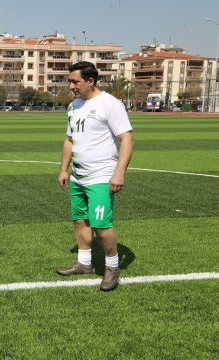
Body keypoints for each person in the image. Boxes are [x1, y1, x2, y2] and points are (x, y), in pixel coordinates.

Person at [56, 61, 134, 292]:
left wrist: (119, 173)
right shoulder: (74, 106)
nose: (71, 86)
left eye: (75, 81)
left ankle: (112, 267)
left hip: (101, 176)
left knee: (101, 226)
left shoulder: (110, 104)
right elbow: (69, 140)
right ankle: (84, 263)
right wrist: (63, 169)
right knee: (80, 221)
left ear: (90, 81)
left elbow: (127, 139)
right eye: (69, 81)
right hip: (79, 176)